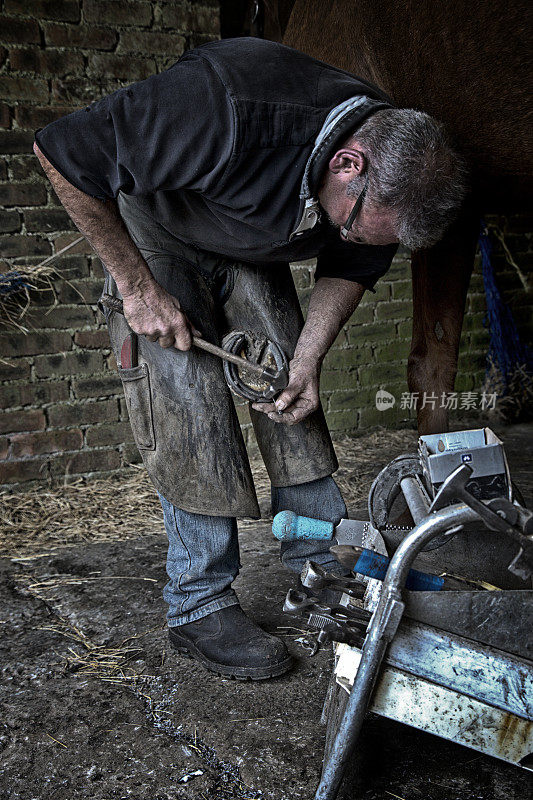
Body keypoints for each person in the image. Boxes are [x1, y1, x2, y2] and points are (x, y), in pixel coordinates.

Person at [34, 37, 467, 680]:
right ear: (349, 162)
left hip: (248, 240)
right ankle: (199, 602)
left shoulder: (386, 146)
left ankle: (323, 569)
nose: (346, 236)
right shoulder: (221, 106)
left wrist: (310, 358)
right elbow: (62, 151)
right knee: (188, 407)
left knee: (288, 392)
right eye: (349, 223)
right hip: (157, 233)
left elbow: (353, 259)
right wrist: (137, 290)